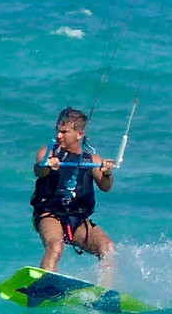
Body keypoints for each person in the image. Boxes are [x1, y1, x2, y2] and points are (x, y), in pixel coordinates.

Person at [30, 107, 116, 276]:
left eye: (64, 132)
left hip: (78, 218)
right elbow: (39, 170)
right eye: (58, 131)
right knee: (55, 246)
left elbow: (106, 186)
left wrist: (107, 172)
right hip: (50, 214)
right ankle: (46, 283)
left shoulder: (92, 160)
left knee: (108, 248)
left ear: (79, 134)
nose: (59, 135)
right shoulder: (48, 153)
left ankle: (105, 292)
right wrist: (48, 165)